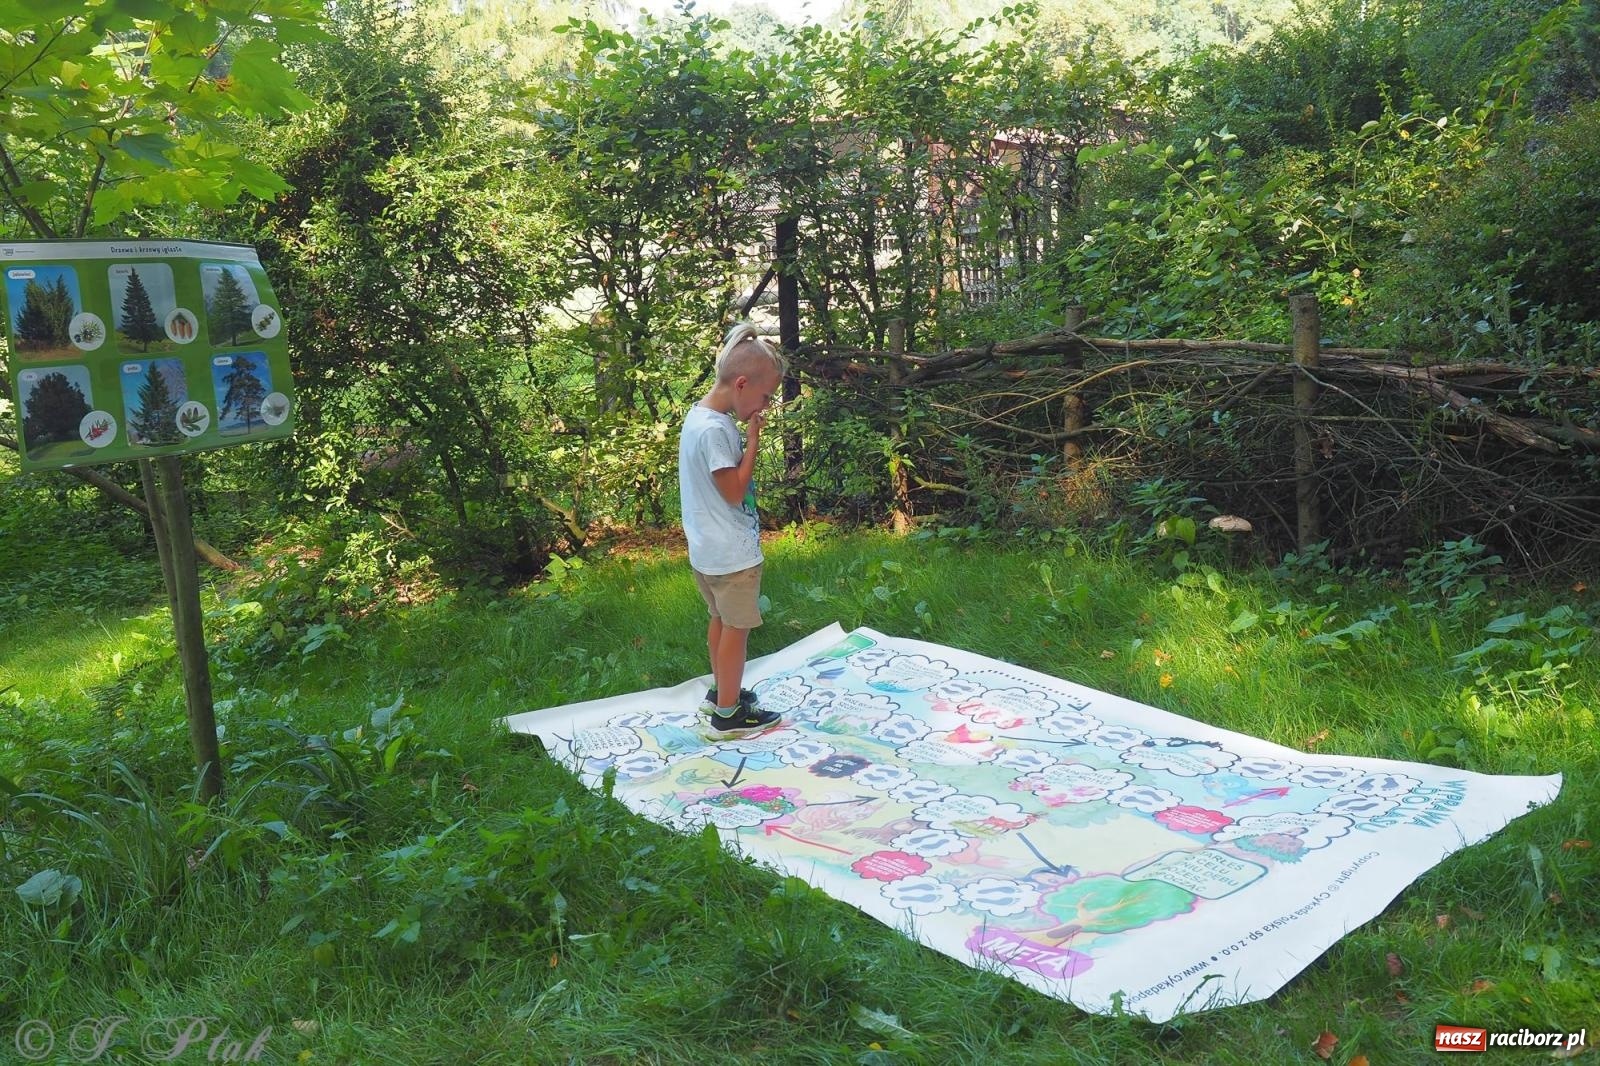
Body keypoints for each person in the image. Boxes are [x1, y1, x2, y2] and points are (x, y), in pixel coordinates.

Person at [678, 322, 787, 735]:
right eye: (764, 397)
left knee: (720, 621)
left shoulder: (698, 417)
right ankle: (729, 714)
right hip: (731, 555)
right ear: (741, 384)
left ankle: (721, 693)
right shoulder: (716, 430)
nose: (765, 405)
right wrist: (754, 439)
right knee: (736, 629)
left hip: (707, 549)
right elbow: (734, 492)